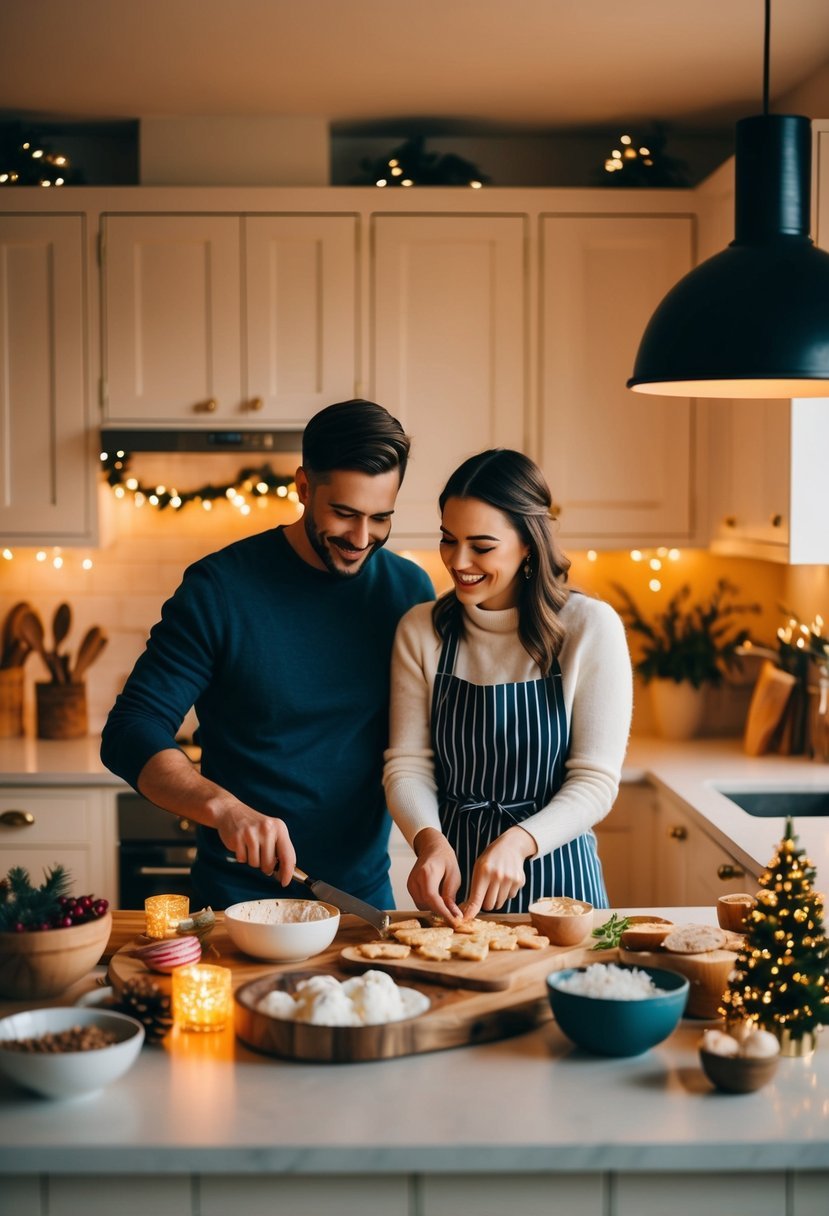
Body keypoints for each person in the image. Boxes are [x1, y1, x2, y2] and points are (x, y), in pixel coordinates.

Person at [101, 399, 434, 910]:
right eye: (344, 514)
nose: (361, 539)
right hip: (235, 906)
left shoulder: (407, 592)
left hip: (360, 904)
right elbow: (131, 728)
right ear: (303, 488)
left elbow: (429, 740)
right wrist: (224, 808)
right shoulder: (219, 588)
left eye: (380, 518)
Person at [383, 448, 632, 924]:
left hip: (561, 881)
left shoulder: (589, 629)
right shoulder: (421, 630)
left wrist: (519, 842)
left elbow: (595, 782)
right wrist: (427, 839)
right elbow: (408, 765)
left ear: (529, 546)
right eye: (448, 539)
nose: (458, 561)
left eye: (481, 546)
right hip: (456, 890)